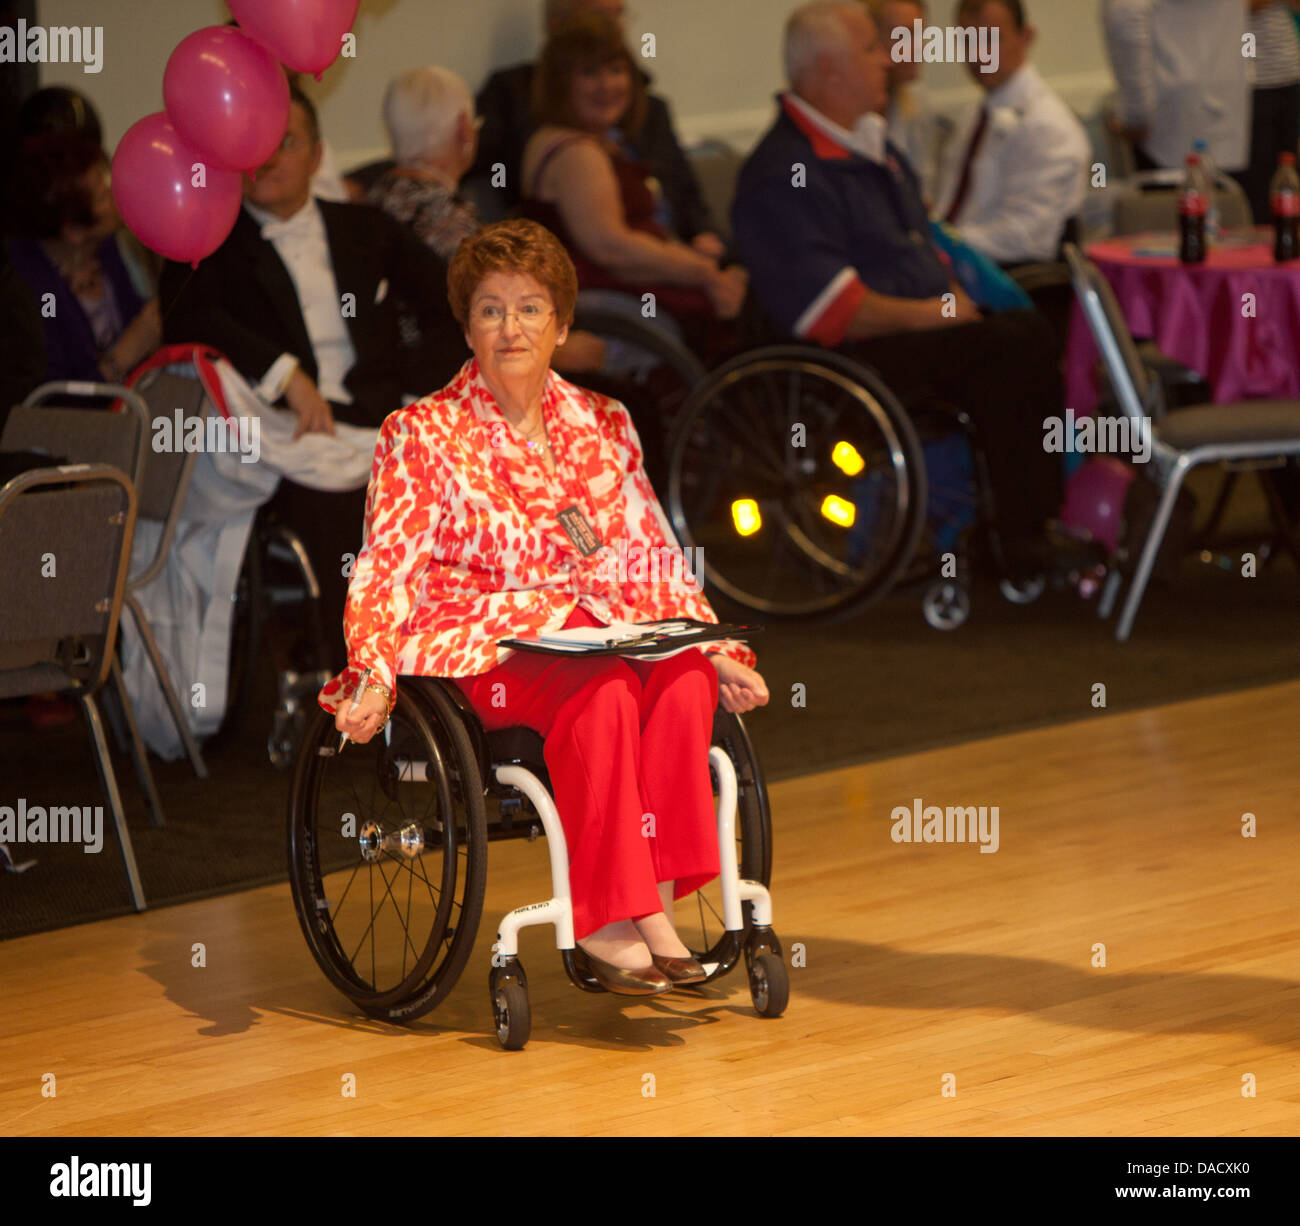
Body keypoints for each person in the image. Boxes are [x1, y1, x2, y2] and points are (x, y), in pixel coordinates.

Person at [319, 219, 769, 995]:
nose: (510, 327)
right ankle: (605, 920)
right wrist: (371, 669)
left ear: (562, 325)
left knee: (684, 677)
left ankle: (653, 898)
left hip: (600, 626)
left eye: (530, 309)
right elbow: (385, 568)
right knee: (603, 689)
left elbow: (649, 551)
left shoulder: (605, 423)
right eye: (490, 310)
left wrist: (714, 645)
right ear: (467, 326)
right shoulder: (420, 434)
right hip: (484, 643)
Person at [731, 0, 1066, 579]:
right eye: (870, 49)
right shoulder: (786, 172)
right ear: (828, 72)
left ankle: (1025, 523)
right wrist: (938, 312)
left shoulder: (870, 146)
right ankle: (1020, 537)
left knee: (1029, 326)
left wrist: (956, 297)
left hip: (910, 332)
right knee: (1012, 347)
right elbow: (832, 311)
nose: (888, 60)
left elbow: (924, 248)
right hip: (848, 359)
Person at [159, 87, 464, 671]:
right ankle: (353, 676)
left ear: (317, 155)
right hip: (285, 433)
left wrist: (420, 388)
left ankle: (448, 666)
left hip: (376, 412)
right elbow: (187, 319)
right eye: (253, 148)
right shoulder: (210, 241)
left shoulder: (364, 227)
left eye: (286, 143)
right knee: (340, 506)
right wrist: (284, 374)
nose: (268, 160)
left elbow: (452, 301)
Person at [519, 11, 747, 353]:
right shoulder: (576, 152)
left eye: (616, 70)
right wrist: (703, 273)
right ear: (560, 83)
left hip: (624, 283)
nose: (608, 85)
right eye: (589, 73)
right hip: (605, 300)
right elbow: (612, 248)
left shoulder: (588, 141)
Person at [471, 0, 721, 249]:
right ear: (555, 24)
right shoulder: (515, 97)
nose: (613, 29)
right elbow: (612, 246)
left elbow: (683, 186)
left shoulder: (650, 107)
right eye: (598, 16)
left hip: (670, 248)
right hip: (600, 265)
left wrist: (704, 236)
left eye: (618, 17)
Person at [931, 0, 1090, 266]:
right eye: (968, 41)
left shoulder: (1049, 127)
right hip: (956, 267)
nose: (980, 54)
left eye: (992, 40)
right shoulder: (974, 116)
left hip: (1005, 281)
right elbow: (947, 207)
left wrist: (940, 245)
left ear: (1026, 37)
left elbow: (1025, 237)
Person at [5, 132, 161, 386]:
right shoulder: (34, 290)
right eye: (102, 197)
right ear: (73, 231)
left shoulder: (104, 247)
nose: (114, 195)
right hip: (83, 422)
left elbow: (136, 317)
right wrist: (120, 359)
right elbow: (50, 402)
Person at [1101, 0, 1250, 176]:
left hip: (1169, 126)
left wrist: (1134, 117)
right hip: (1227, 101)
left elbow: (1126, 14)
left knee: (1184, 198)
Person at [865, 0, 944, 204]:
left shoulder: (917, 100)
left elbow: (925, 193)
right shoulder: (847, 109)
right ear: (872, 40)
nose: (920, 48)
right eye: (904, 36)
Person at [1237, 0, 1300, 222]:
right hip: (1254, 78)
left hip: (1289, 70)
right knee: (1259, 169)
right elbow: (1243, 6)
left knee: (1288, 164)